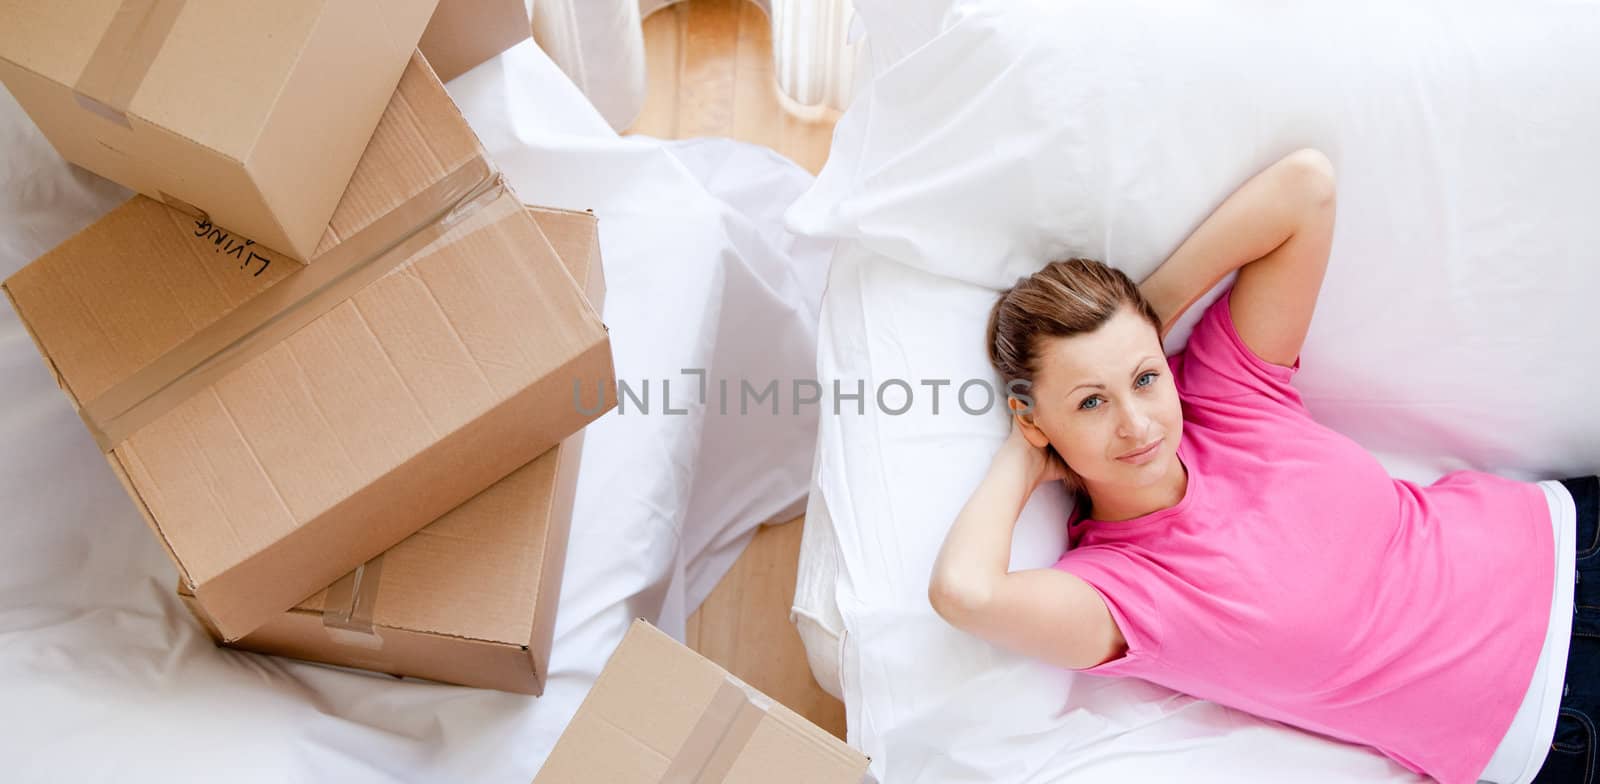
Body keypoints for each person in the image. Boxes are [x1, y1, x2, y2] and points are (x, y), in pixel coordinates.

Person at [927, 148, 1597, 784]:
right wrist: (1025, 450)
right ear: (1039, 421)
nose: (1136, 423)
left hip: (1572, 535)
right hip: (1556, 711)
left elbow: (1307, 187)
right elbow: (965, 593)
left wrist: (1139, 318)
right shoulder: (1120, 592)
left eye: (1145, 379)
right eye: (1092, 402)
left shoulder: (1225, 390)